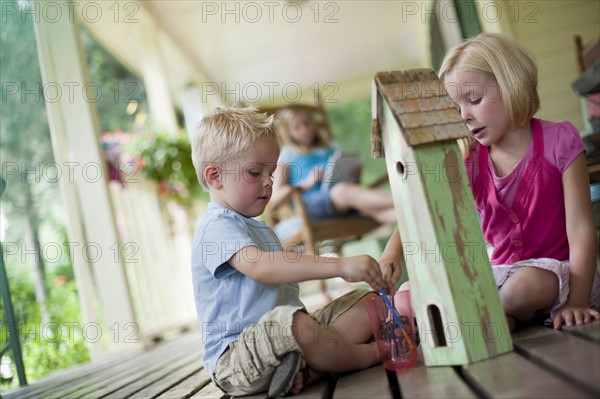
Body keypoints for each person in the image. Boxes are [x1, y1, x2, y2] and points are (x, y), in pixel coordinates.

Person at [190, 107, 402, 397]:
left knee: (369, 302)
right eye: (256, 172)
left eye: (271, 172)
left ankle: (310, 367)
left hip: (289, 338)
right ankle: (365, 356)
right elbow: (261, 266)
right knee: (295, 323)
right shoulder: (217, 225)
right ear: (215, 176)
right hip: (238, 358)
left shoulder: (260, 228)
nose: (269, 181)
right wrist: (339, 265)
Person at [436, 32, 600, 330]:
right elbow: (430, 209)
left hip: (562, 275)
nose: (465, 116)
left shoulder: (560, 141)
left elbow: (581, 228)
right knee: (418, 292)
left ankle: (483, 320)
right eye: (456, 108)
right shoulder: (468, 159)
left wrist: (578, 301)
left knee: (522, 288)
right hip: (503, 271)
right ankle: (501, 318)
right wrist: (393, 253)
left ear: (511, 85)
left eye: (474, 100)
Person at [273, 105, 396, 225]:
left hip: (341, 200)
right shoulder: (287, 155)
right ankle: (402, 199)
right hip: (310, 205)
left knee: (381, 212)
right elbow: (276, 196)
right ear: (287, 132)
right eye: (297, 127)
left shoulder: (330, 149)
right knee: (342, 190)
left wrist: (354, 176)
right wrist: (307, 183)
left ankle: (410, 206)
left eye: (307, 123)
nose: (305, 129)